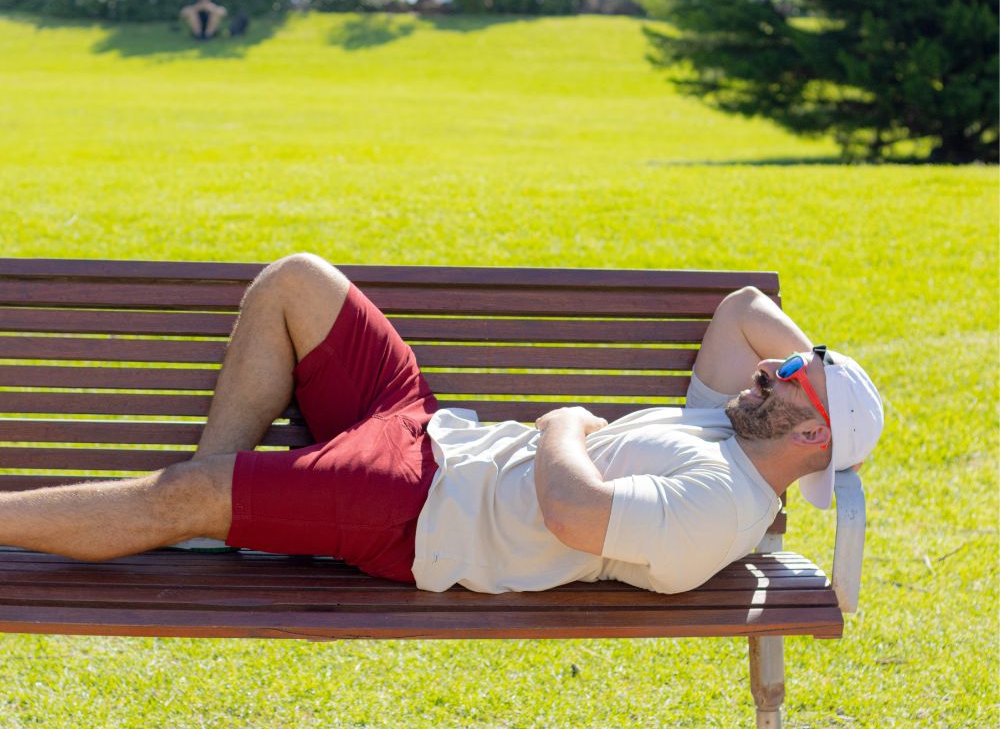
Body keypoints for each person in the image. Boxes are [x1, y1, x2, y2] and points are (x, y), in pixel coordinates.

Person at [0, 254, 883, 595]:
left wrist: (562, 423)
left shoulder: (718, 508)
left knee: (186, 496)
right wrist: (824, 375)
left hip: (414, 508)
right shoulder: (731, 429)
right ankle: (223, 504)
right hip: (424, 429)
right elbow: (741, 309)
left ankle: (204, 504)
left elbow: (577, 514)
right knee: (299, 282)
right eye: (788, 365)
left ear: (809, 435)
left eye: (792, 381)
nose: (772, 369)